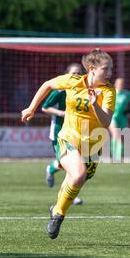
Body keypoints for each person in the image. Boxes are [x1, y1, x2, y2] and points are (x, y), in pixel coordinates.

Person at [21, 48, 116, 239]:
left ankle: (56, 208)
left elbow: (105, 122)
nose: (110, 73)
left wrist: (94, 104)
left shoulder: (108, 92)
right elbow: (48, 85)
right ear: (91, 69)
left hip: (92, 146)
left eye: (111, 69)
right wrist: (32, 108)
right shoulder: (73, 81)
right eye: (106, 69)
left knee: (75, 179)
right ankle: (58, 216)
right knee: (78, 174)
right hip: (68, 138)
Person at [42, 63, 84, 205]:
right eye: (73, 73)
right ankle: (52, 169)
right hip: (59, 131)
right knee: (67, 164)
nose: (76, 75)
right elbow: (45, 107)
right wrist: (62, 113)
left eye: (79, 72)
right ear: (66, 74)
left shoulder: (83, 90)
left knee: (75, 164)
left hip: (76, 133)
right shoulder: (60, 91)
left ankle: (69, 195)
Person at [109, 78, 130, 161]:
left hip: (122, 117)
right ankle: (116, 157)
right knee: (116, 134)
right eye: (118, 83)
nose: (120, 85)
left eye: (122, 84)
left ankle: (117, 156)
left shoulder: (127, 94)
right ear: (115, 84)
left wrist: (129, 109)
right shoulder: (111, 92)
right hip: (112, 117)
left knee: (120, 136)